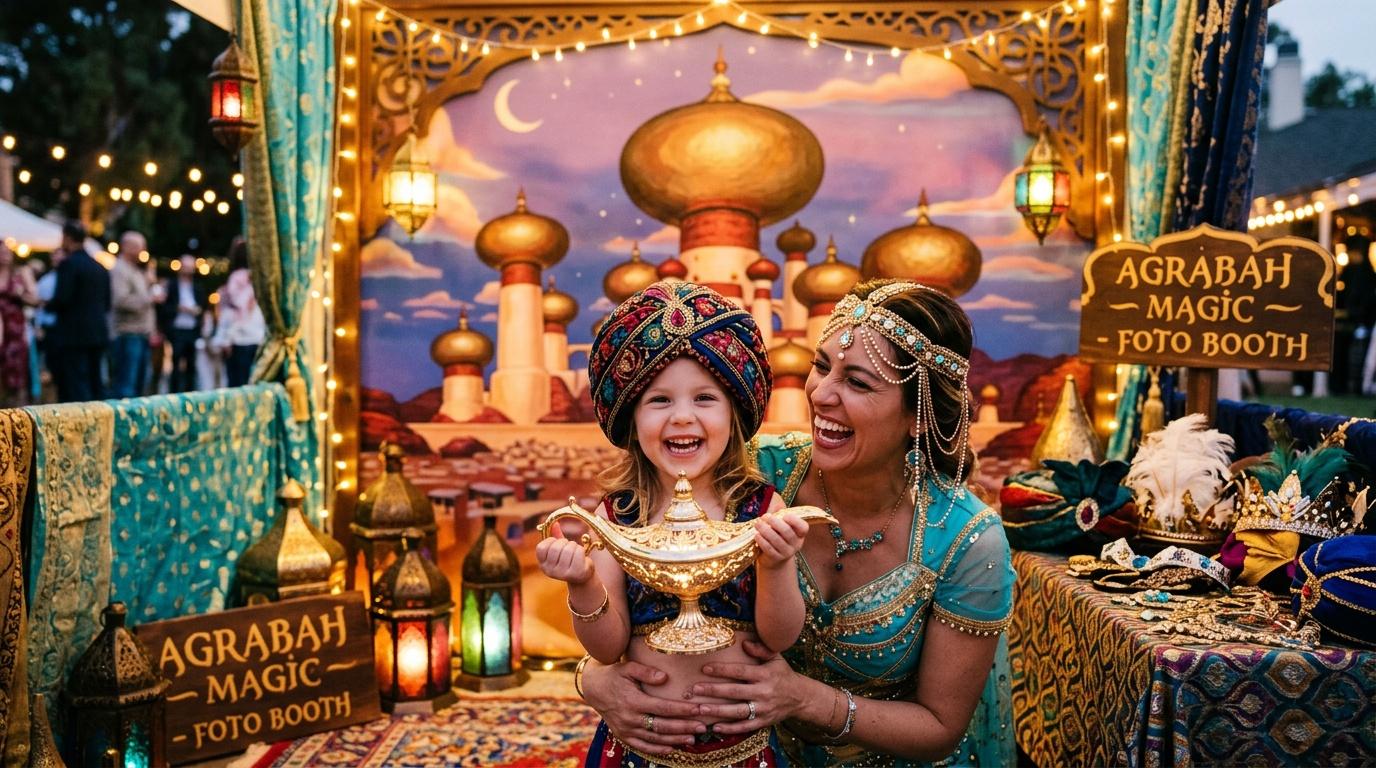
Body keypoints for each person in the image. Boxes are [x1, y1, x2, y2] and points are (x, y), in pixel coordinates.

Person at [579, 279, 1016, 767]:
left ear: (918, 415)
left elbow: (940, 729)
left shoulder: (967, 541)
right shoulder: (751, 476)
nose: (821, 394)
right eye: (821, 366)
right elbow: (633, 584)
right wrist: (592, 679)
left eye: (857, 382)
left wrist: (803, 699)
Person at [551, 281, 808, 768]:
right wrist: (581, 583)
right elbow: (607, 648)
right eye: (660, 400)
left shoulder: (760, 509)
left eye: (705, 398)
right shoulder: (617, 516)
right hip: (638, 752)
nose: (683, 417)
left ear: (734, 414)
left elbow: (778, 639)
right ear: (631, 418)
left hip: (742, 755)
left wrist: (776, 565)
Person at [46, 222, 111, 402]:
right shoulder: (99, 267)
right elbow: (107, 304)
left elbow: (62, 299)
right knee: (95, 382)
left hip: (73, 336)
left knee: (75, 385)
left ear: (67, 238)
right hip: (97, 333)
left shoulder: (69, 265)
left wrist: (44, 304)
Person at [108, 230, 156, 398]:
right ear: (127, 247)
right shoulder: (120, 270)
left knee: (138, 384)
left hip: (140, 333)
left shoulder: (136, 270)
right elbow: (120, 301)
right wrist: (149, 299)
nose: (143, 251)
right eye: (139, 247)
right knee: (126, 386)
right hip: (127, 333)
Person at [211, 238, 265, 386]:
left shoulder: (237, 278)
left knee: (237, 381)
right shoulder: (258, 279)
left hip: (240, 338)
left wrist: (226, 338)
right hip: (257, 336)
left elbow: (235, 309)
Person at [157, 255, 207, 393]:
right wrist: (178, 308)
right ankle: (174, 393)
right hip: (176, 329)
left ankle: (190, 393)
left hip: (192, 330)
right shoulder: (171, 285)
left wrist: (197, 311)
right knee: (176, 362)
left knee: (191, 364)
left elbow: (202, 308)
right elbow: (164, 307)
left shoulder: (197, 287)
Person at [0, 242, 38, 406]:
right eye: (1, 252)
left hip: (15, 329)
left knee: (16, 371)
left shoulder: (21, 272)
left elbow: (35, 299)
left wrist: (21, 294)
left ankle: (18, 410)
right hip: (0, 329)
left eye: (7, 252)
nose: (4, 255)